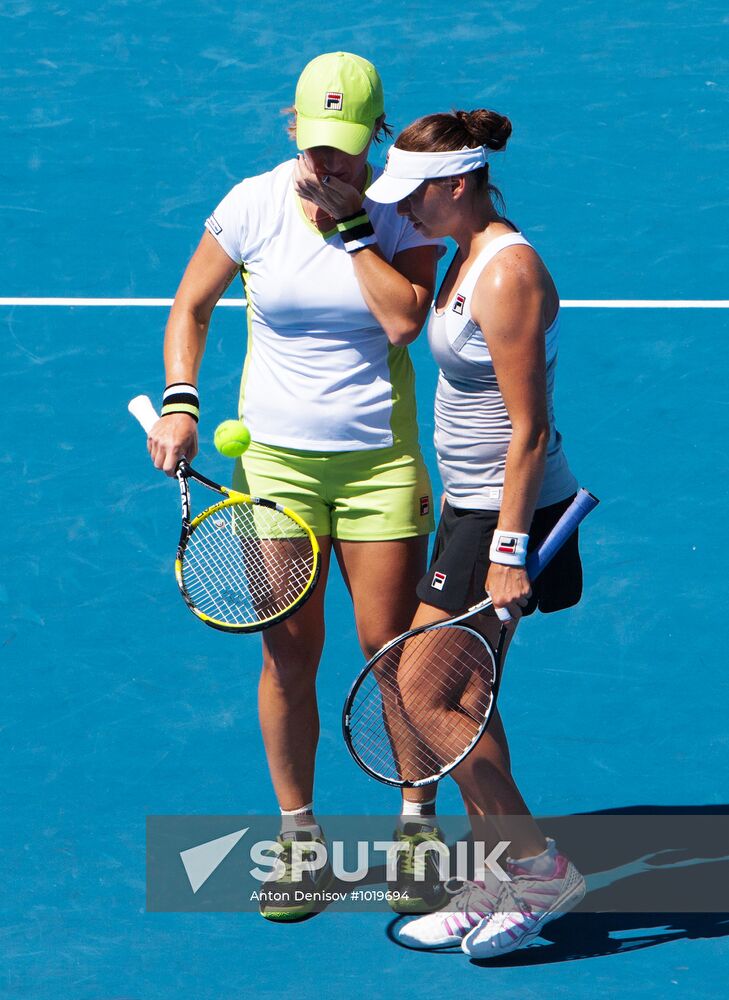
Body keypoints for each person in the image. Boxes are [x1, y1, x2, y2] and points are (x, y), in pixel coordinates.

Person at [144, 52, 446, 921]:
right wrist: (180, 403)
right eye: (314, 146)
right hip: (274, 467)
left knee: (394, 654)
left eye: (346, 149)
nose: (328, 165)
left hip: (378, 468)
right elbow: (190, 307)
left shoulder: (400, 212)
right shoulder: (253, 202)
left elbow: (402, 321)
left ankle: (417, 830)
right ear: (291, 129)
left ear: (377, 137)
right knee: (288, 652)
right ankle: (299, 839)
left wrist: (354, 229)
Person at [365, 109, 587, 956]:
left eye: (416, 194)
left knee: (419, 691)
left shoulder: (506, 274)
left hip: (508, 514)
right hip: (468, 507)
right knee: (454, 696)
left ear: (458, 185)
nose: (405, 211)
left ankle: (536, 867)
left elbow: (527, 429)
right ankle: (496, 871)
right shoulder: (464, 252)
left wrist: (504, 551)